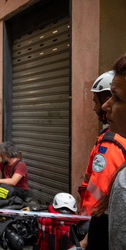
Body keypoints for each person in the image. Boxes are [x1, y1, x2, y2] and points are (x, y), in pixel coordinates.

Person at [81, 54, 126, 250]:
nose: (97, 107)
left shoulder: (111, 142)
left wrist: (88, 231)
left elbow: (99, 189)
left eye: (116, 97)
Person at [79, 70, 114, 216]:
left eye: (95, 101)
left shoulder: (110, 144)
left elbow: (98, 190)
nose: (94, 108)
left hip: (97, 221)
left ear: (107, 100)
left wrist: (86, 224)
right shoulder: (109, 136)